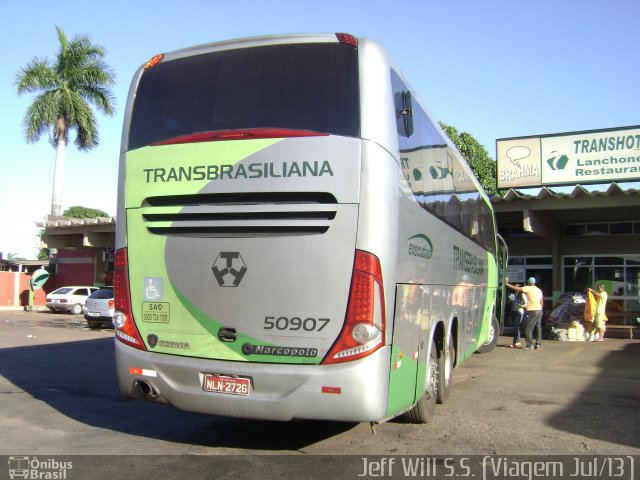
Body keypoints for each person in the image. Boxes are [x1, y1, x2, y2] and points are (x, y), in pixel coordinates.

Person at [505, 276, 543, 350]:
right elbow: (542, 302)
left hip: (532, 311)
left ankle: (529, 345)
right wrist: (540, 309)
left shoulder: (528, 288)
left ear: (529, 283)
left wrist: (507, 284)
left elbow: (518, 289)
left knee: (528, 329)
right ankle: (538, 344)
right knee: (538, 328)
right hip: (539, 311)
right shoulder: (539, 290)